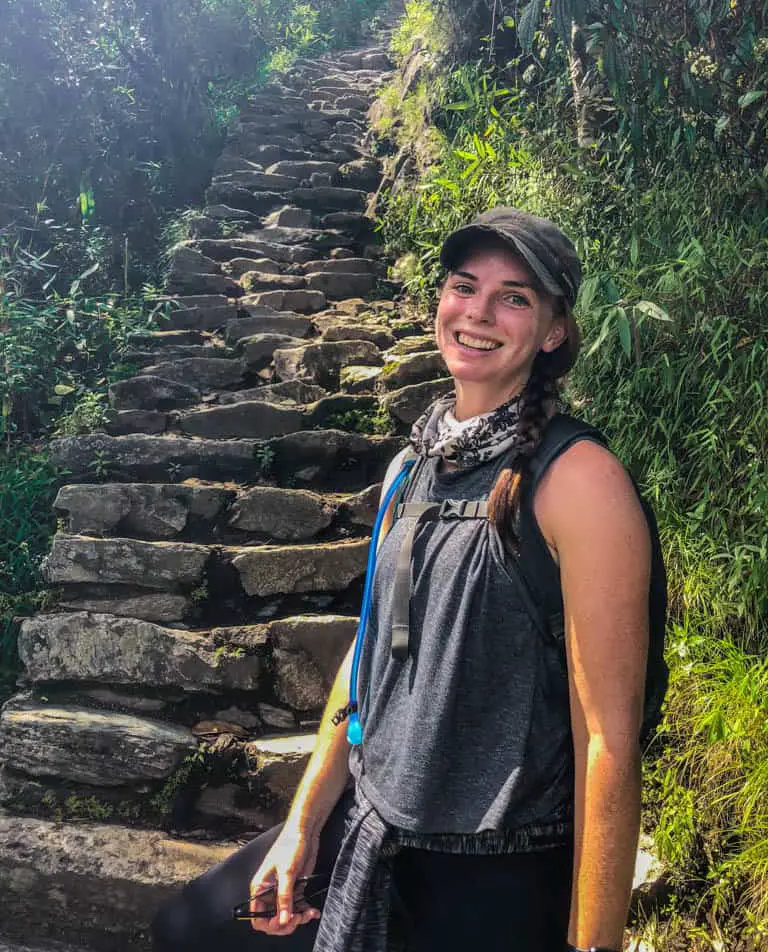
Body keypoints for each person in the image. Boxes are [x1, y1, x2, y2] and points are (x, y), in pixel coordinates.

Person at [153, 206, 660, 952]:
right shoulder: (411, 465)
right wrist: (304, 824)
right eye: (464, 286)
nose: (478, 312)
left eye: (514, 297)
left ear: (553, 332)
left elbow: (607, 737)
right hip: (375, 823)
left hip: (495, 865)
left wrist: (594, 945)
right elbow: (365, 665)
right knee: (188, 930)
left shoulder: (576, 481)